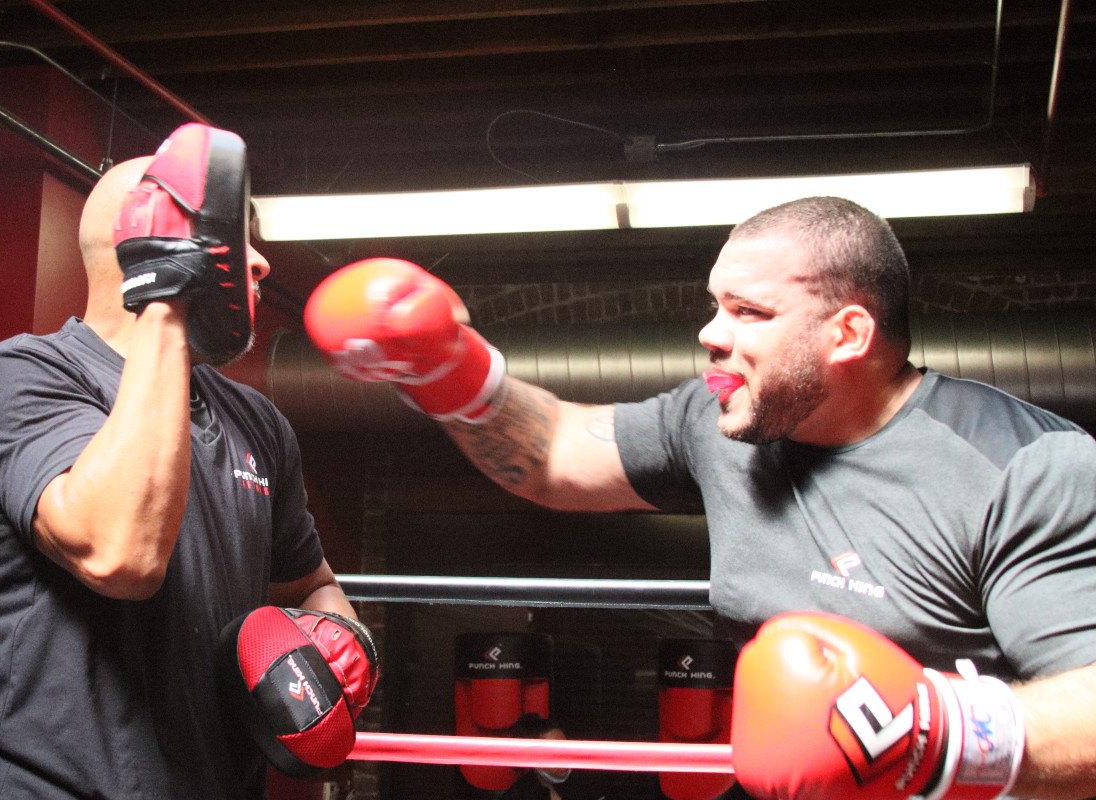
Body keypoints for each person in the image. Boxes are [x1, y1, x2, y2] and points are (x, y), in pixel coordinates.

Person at [303, 196, 1096, 800]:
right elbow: (553, 455)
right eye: (716, 305)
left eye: (749, 313)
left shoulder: (1025, 469)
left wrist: (926, 730)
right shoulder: (718, 424)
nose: (711, 334)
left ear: (848, 334)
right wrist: (451, 372)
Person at [0, 123, 375, 800]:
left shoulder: (258, 423)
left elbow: (309, 584)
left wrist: (344, 646)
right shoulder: (21, 377)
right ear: (149, 243)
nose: (260, 263)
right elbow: (121, 555)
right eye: (232, 239)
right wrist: (166, 298)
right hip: (39, 784)